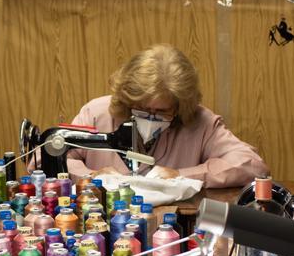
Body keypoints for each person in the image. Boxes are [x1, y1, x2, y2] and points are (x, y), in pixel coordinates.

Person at [65, 44, 267, 187]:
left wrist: (183, 175)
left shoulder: (201, 123)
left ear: (180, 106)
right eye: (142, 108)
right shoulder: (96, 113)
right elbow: (48, 158)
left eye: (162, 111)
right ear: (128, 99)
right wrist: (90, 177)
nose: (150, 118)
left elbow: (252, 165)